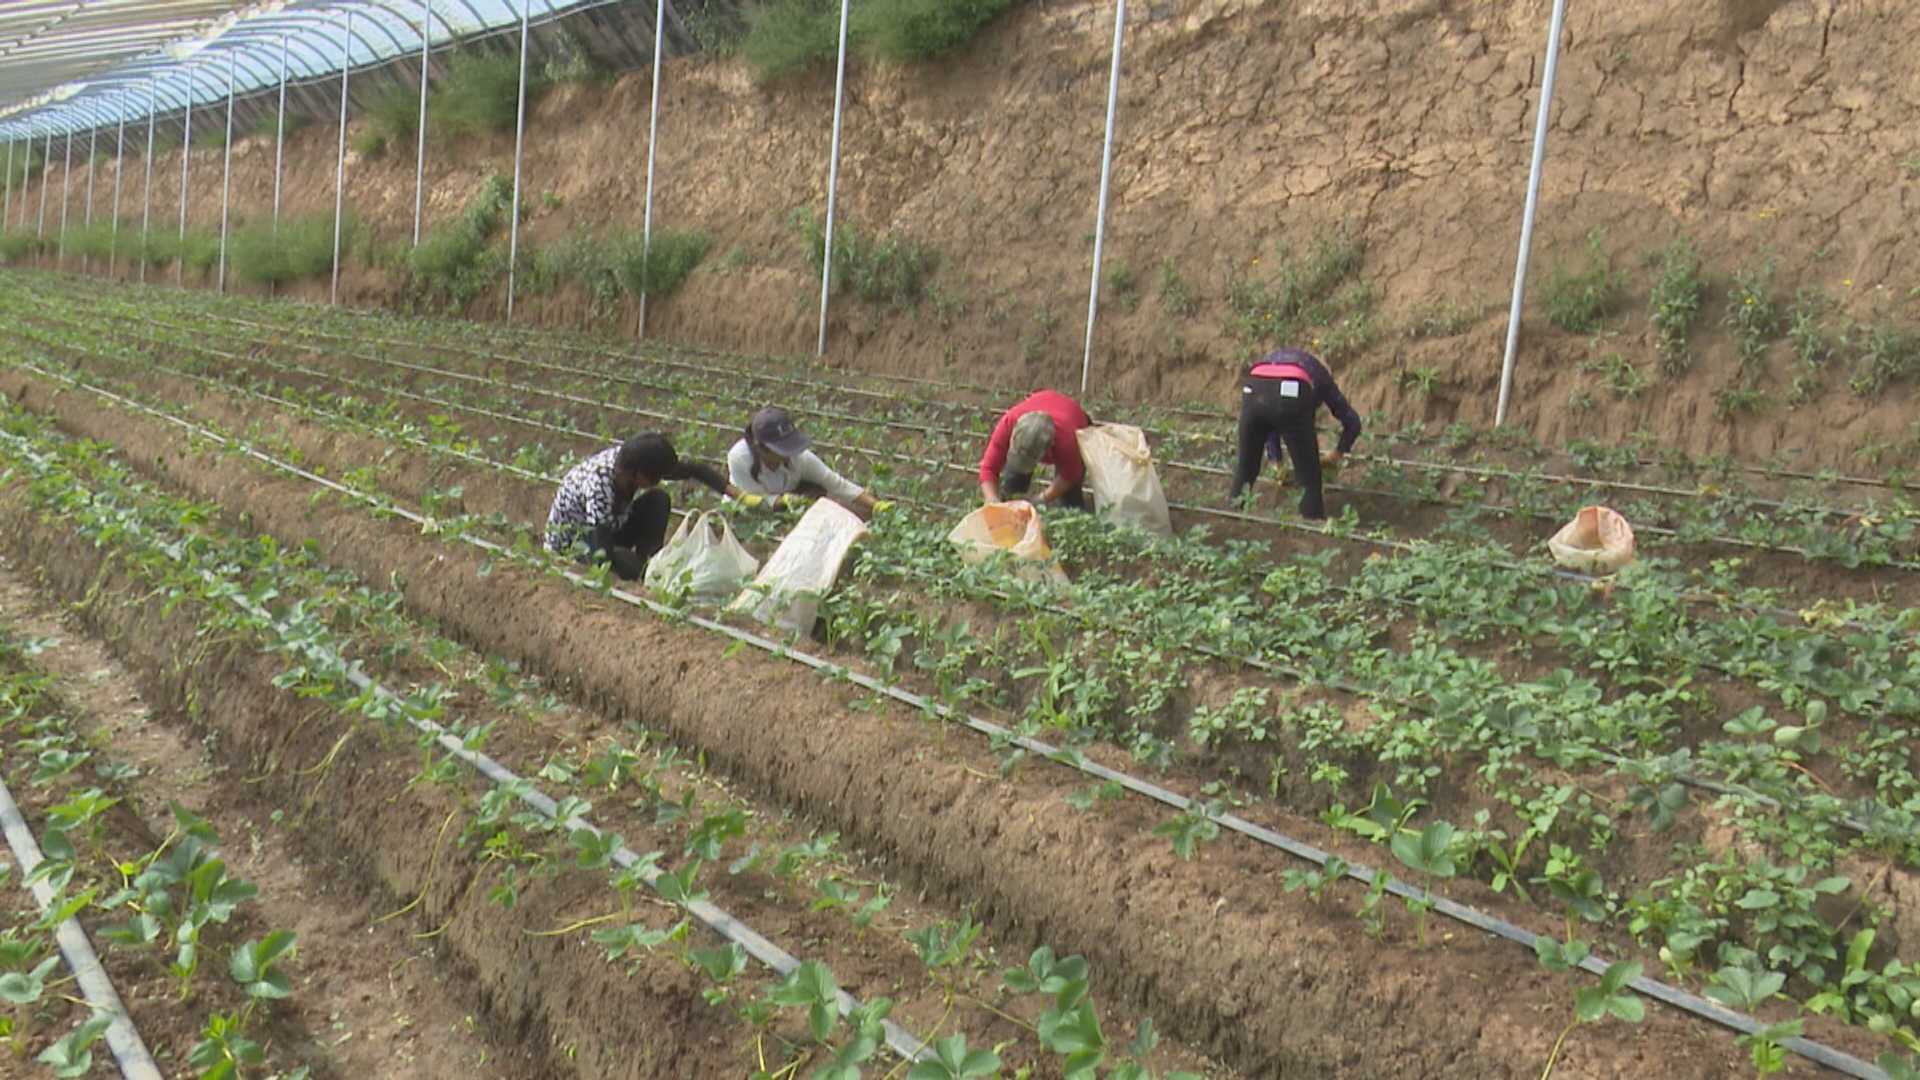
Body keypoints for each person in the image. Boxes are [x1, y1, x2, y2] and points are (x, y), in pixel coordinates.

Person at [545, 432, 748, 580]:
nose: (659, 479)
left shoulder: (631, 462)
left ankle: (650, 556)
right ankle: (645, 569)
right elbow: (601, 554)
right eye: (656, 476)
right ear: (637, 474)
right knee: (630, 567)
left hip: (612, 526)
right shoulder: (600, 487)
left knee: (658, 499)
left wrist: (738, 495)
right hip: (578, 542)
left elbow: (693, 470)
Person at [1229, 347, 1362, 520]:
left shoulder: (1275, 358)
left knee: (1246, 468)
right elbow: (1353, 423)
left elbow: (1270, 416)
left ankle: (1231, 517)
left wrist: (1277, 462)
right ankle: (1311, 522)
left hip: (1254, 385)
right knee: (1308, 474)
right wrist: (1335, 456)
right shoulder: (1322, 378)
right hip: (1292, 389)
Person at [727, 406, 885, 517]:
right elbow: (756, 501)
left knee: (818, 491)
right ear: (760, 448)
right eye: (782, 449)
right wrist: (783, 502)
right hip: (748, 508)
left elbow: (834, 482)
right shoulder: (740, 459)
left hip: (787, 499)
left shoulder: (799, 458)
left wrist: (876, 505)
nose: (789, 453)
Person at [978, 390, 1091, 509]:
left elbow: (1070, 475)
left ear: (1049, 448)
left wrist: (1043, 498)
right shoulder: (1008, 423)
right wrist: (991, 499)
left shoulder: (1068, 440)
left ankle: (1073, 520)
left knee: (1070, 497)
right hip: (1046, 403)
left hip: (1075, 417)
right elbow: (988, 468)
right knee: (1013, 484)